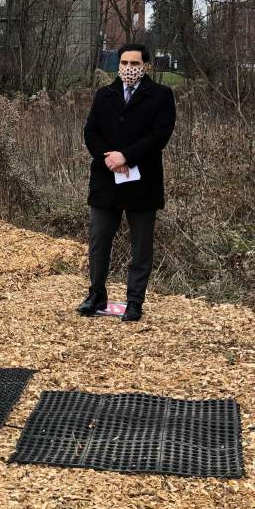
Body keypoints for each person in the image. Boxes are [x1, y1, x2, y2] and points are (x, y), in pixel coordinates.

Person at [76, 44, 176, 322]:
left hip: (142, 183)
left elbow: (160, 135)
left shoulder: (161, 96)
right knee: (98, 242)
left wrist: (126, 156)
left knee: (141, 247)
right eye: (124, 62)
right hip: (106, 181)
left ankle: (135, 301)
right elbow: (90, 131)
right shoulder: (104, 95)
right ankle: (96, 294)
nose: (129, 68)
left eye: (134, 63)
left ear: (146, 65)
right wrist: (108, 157)